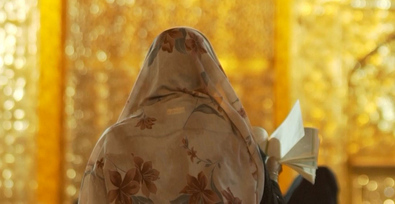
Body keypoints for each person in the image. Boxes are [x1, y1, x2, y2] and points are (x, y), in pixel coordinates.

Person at [79, 27, 284, 203]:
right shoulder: (236, 137)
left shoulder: (114, 139)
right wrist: (272, 174)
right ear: (207, 67)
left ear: (152, 70)